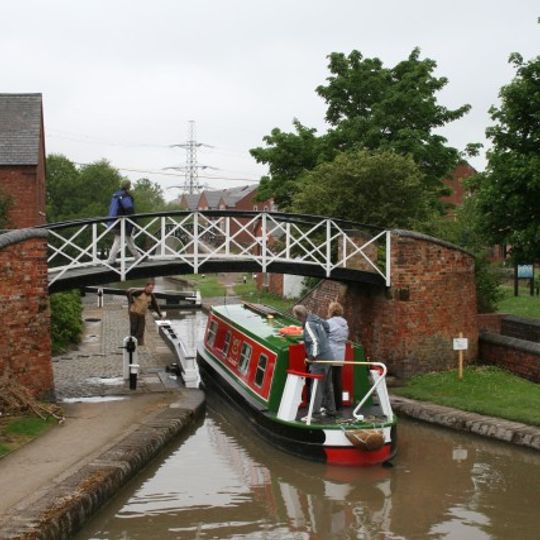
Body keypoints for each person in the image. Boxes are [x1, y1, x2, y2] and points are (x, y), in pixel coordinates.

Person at [292, 304, 336, 421]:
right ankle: (331, 410)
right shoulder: (316, 318)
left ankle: (315, 414)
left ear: (298, 315)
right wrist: (324, 342)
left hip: (320, 359)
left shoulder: (308, 324)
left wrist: (311, 357)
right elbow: (327, 327)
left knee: (316, 386)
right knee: (327, 385)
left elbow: (315, 342)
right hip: (329, 356)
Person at [106, 179, 141, 265]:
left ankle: (138, 257)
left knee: (128, 239)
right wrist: (134, 222)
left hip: (113, 221)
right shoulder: (124, 196)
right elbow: (129, 209)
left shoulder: (116, 195)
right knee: (119, 240)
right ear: (129, 186)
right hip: (120, 222)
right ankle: (110, 261)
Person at [326, 301, 349, 410]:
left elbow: (323, 337)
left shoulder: (329, 323)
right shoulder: (345, 324)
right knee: (337, 379)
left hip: (330, 353)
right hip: (340, 353)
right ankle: (339, 404)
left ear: (330, 311)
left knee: (328, 380)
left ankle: (330, 405)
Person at [127, 281, 163, 346]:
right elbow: (129, 292)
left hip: (142, 314)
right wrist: (131, 301)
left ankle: (139, 343)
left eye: (152, 288)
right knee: (134, 328)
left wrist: (159, 313)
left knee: (141, 329)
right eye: (149, 288)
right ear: (146, 287)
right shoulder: (139, 292)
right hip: (134, 312)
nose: (150, 289)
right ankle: (132, 342)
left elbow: (155, 305)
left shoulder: (151, 295)